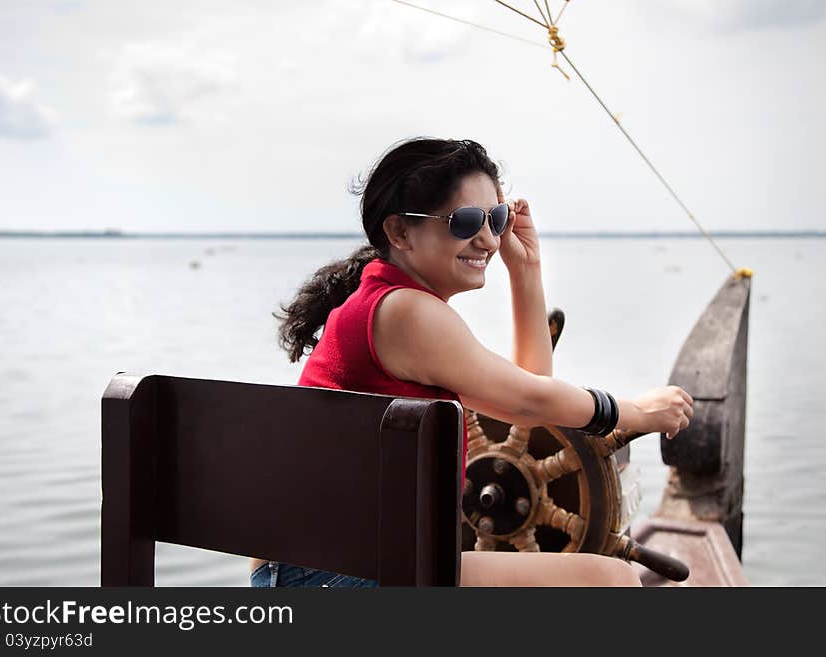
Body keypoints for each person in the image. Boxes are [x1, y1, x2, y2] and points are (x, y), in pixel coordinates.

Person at [249, 137, 693, 588]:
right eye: (465, 222)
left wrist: (526, 272)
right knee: (608, 581)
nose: (488, 239)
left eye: (496, 219)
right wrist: (636, 411)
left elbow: (528, 399)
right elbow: (530, 400)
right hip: (328, 571)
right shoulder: (404, 312)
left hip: (334, 562)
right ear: (400, 232)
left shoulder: (395, 307)